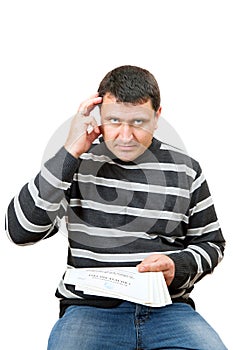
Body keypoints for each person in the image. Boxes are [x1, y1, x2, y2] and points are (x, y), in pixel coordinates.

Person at [6, 65, 227, 350]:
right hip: (89, 311)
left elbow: (212, 243)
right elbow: (20, 231)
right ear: (98, 117)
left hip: (168, 311)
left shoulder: (185, 170)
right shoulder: (76, 164)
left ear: (157, 117)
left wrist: (177, 265)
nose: (125, 136)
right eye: (113, 121)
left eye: (138, 122)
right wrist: (70, 151)